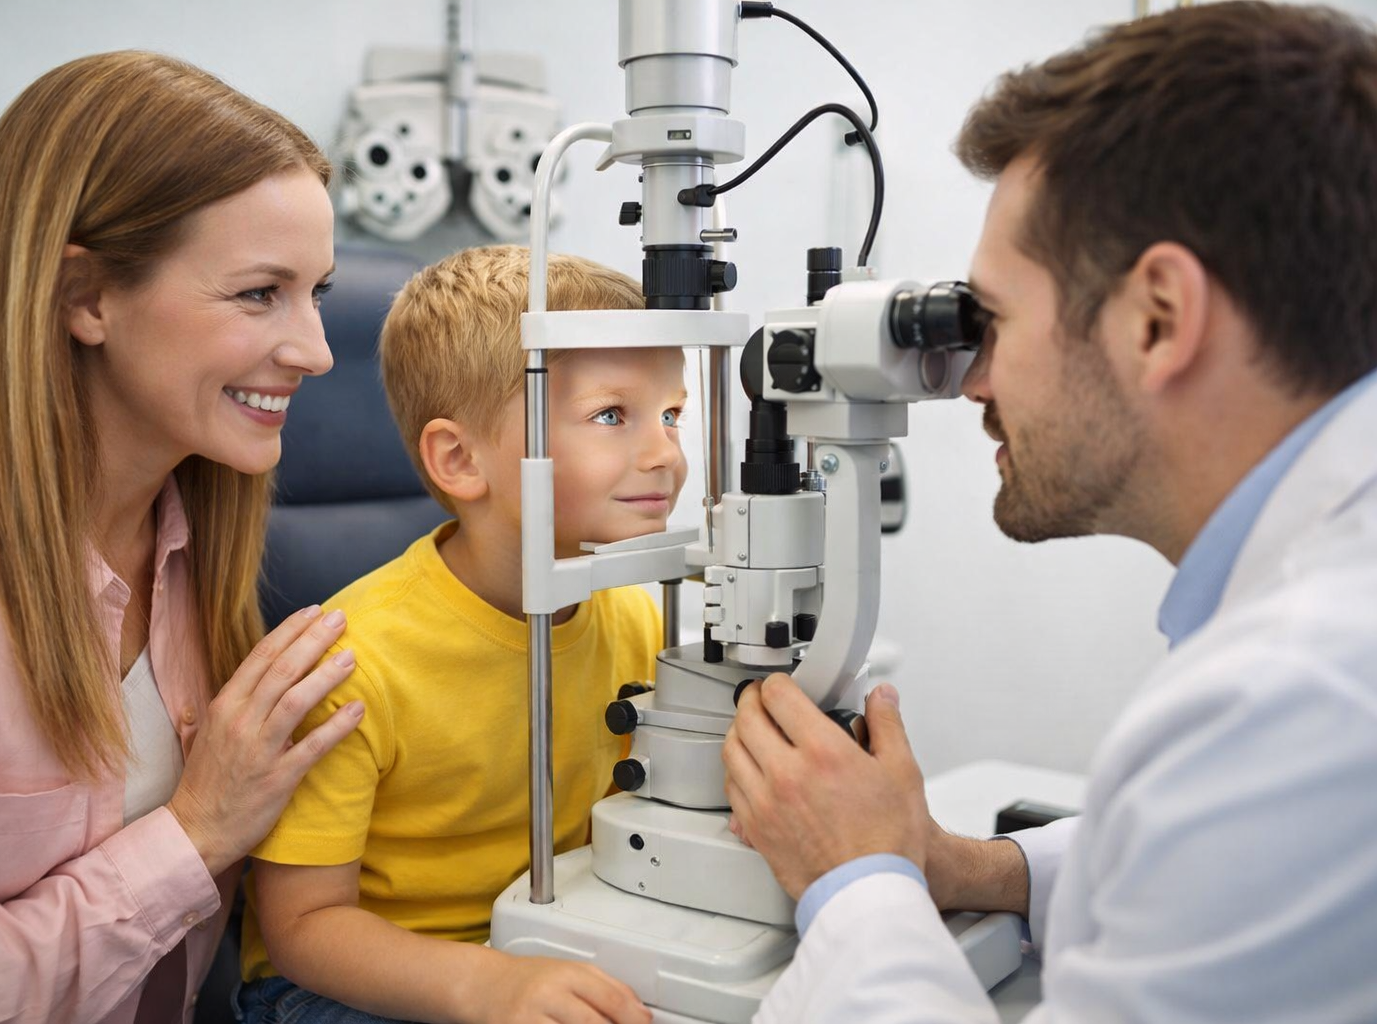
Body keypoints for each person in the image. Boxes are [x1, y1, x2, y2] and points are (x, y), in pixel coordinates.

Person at [723, 3, 1377, 1021]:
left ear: (1158, 319)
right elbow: (1207, 866)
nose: (972, 378)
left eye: (997, 319)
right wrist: (964, 865)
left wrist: (857, 884)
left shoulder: (1297, 702)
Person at [0, 52, 370, 1024]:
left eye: (318, 293)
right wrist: (195, 831)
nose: (318, 351)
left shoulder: (192, 524)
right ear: (86, 297)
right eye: (260, 293)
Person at [237, 245, 683, 1024]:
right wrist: (483, 985)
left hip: (540, 945)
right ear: (459, 459)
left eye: (671, 414)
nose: (666, 453)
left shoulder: (634, 617)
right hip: (344, 986)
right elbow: (302, 930)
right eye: (613, 416)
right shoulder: (352, 665)